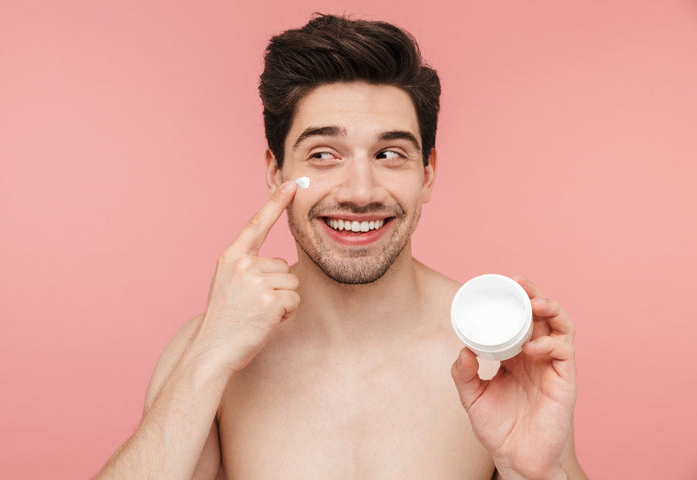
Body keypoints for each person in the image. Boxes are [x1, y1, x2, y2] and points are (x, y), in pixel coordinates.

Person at [96, 14, 587, 479]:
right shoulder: (212, 354)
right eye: (323, 154)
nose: (360, 191)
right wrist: (205, 359)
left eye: (390, 154)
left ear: (427, 172)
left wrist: (538, 473)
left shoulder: (495, 354)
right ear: (275, 171)